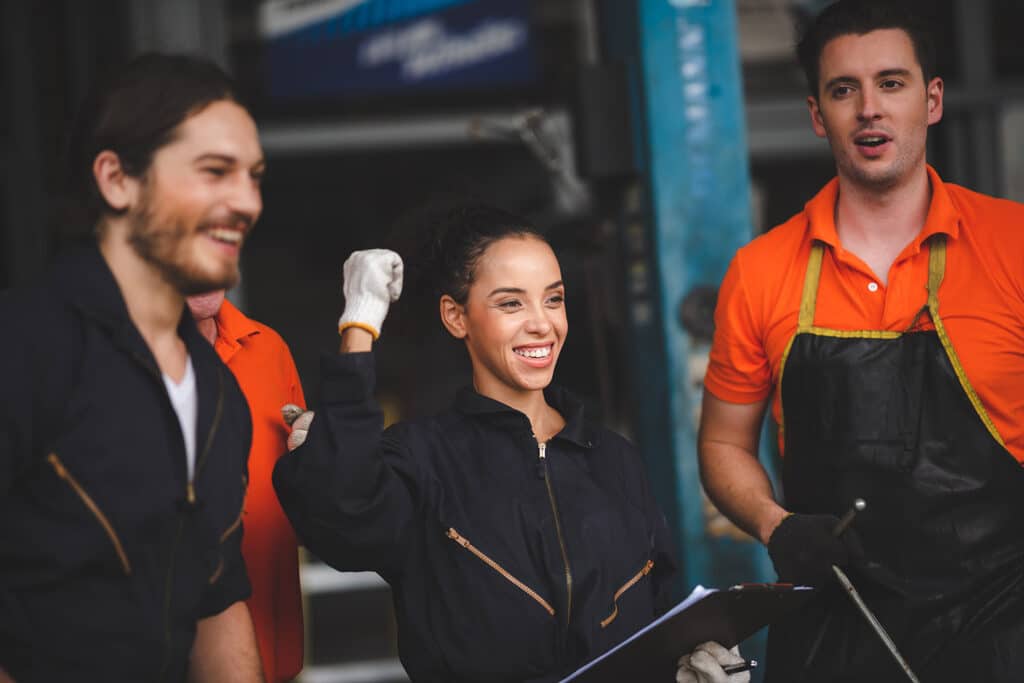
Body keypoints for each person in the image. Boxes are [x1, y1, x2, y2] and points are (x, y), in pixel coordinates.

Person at [272, 205, 749, 682]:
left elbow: (658, 617)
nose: (542, 324)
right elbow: (344, 521)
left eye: (554, 299)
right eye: (511, 303)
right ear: (456, 316)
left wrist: (689, 668)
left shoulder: (613, 459)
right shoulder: (421, 459)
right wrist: (360, 323)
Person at [697, 1, 1024, 681]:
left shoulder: (1013, 244)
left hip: (1005, 634)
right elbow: (724, 443)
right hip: (835, 641)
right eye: (844, 90)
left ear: (932, 100)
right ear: (818, 114)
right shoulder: (761, 272)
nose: (869, 108)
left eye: (892, 83)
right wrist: (772, 523)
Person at [0, 54, 265, 682]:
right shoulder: (23, 343)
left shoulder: (217, 388)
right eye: (215, 172)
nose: (247, 201)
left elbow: (216, 598)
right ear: (118, 179)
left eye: (254, 176)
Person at [188, 290, 306, 683]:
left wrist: (325, 466)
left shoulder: (268, 349)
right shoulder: (104, 363)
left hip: (268, 655)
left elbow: (309, 511)